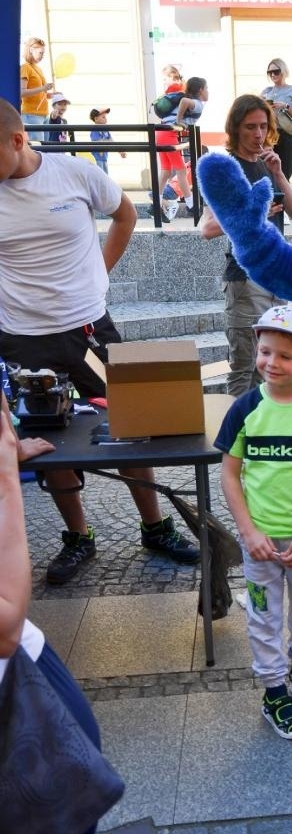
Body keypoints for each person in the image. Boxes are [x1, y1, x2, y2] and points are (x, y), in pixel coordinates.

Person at [0, 98, 199, 584]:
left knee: (132, 425)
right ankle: (78, 537)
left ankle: (155, 526)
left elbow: (125, 215)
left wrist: (99, 276)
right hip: (23, 337)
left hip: (88, 327)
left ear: (18, 140)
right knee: (46, 438)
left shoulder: (74, 174)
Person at [0, 395, 118, 834]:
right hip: (8, 659)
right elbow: (4, 619)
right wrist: (4, 478)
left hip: (23, 661)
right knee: (55, 821)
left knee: (72, 792)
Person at [215, 304, 292, 740]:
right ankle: (273, 689)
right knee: (263, 615)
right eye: (265, 351)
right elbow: (229, 474)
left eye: (286, 356)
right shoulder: (245, 409)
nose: (272, 362)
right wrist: (249, 532)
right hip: (260, 543)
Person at [200, 94, 292, 398]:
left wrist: (279, 174)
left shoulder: (267, 164)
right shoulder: (226, 168)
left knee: (273, 365)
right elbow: (207, 228)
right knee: (245, 366)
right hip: (245, 279)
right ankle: (237, 425)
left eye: (263, 126)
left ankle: (265, 422)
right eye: (250, 127)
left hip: (276, 275)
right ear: (235, 128)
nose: (258, 134)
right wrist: (252, 213)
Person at [156, 75, 208, 221]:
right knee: (182, 171)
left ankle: (156, 203)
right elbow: (185, 101)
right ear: (200, 90)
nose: (208, 92)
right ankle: (191, 205)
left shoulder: (192, 101)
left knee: (166, 171)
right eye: (206, 88)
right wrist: (179, 120)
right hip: (168, 135)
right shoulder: (197, 103)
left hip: (159, 132)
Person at [261, 58, 292, 179]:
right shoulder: (266, 91)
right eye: (270, 72)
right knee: (267, 173)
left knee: (285, 174)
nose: (273, 75)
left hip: (286, 134)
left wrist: (286, 106)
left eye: (276, 71)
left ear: (283, 71)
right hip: (269, 135)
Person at [19, 37, 53, 142]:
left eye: (43, 53)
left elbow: (38, 92)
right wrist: (43, 88)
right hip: (31, 114)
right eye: (40, 53)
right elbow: (22, 92)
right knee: (37, 146)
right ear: (30, 50)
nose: (42, 56)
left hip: (43, 114)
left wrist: (48, 94)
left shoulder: (38, 69)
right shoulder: (25, 67)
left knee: (45, 146)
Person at [89, 107, 126, 174]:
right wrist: (108, 141)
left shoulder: (105, 130)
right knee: (99, 175)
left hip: (104, 158)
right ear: (96, 119)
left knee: (105, 176)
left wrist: (120, 151)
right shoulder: (94, 130)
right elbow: (98, 142)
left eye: (105, 117)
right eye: (103, 117)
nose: (106, 119)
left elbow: (112, 142)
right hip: (96, 159)